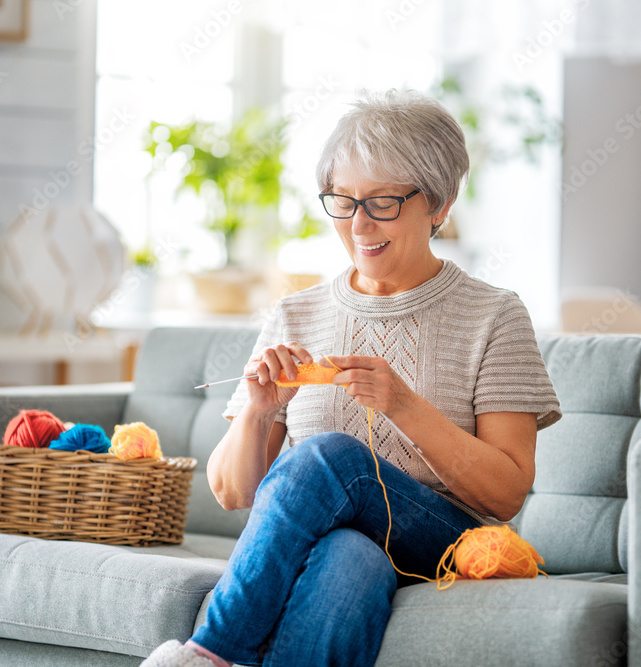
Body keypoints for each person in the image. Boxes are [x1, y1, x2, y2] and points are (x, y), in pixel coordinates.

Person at [142, 89, 561, 667]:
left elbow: (508, 491)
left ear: (438, 203)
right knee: (349, 559)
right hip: (353, 547)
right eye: (342, 200)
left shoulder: (494, 315)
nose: (359, 223)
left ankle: (208, 653)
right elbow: (234, 492)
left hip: (448, 541)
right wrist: (261, 411)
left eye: (383, 202)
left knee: (333, 457)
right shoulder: (297, 314)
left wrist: (404, 406)